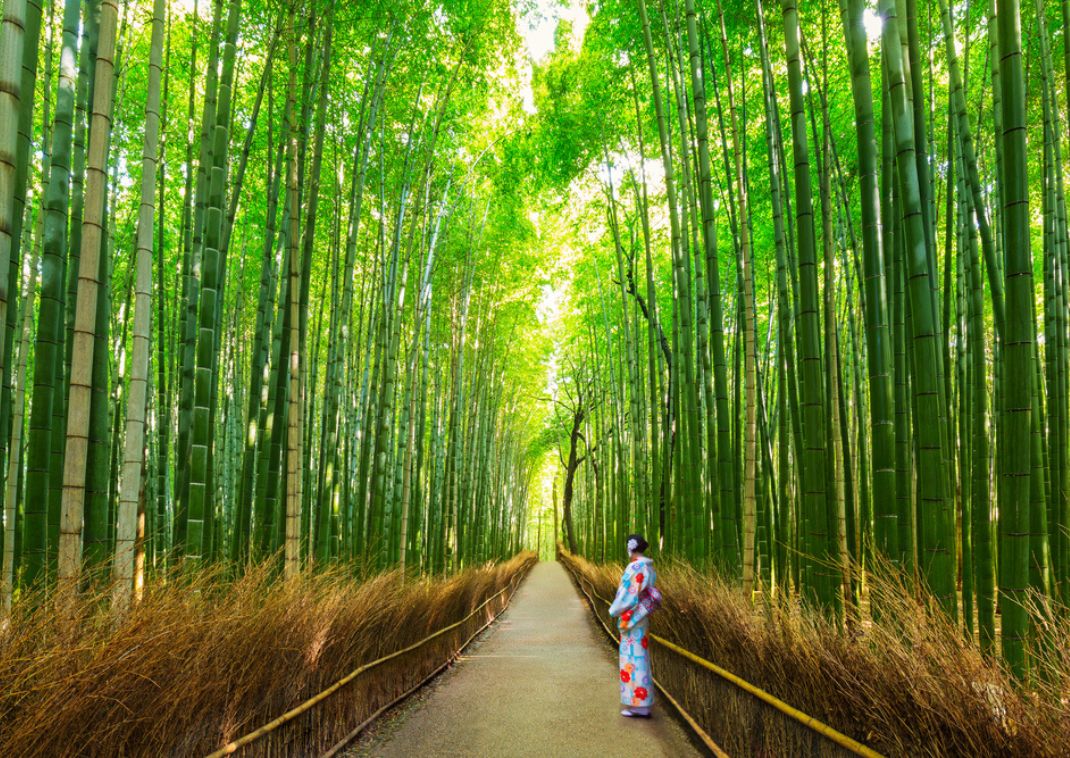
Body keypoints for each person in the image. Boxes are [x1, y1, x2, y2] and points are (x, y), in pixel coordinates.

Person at [608, 534, 656, 718]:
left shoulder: (635, 566)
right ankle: (641, 703)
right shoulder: (648, 566)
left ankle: (638, 704)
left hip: (633, 617)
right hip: (642, 617)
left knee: (632, 660)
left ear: (630, 548)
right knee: (640, 657)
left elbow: (628, 594)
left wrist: (614, 609)